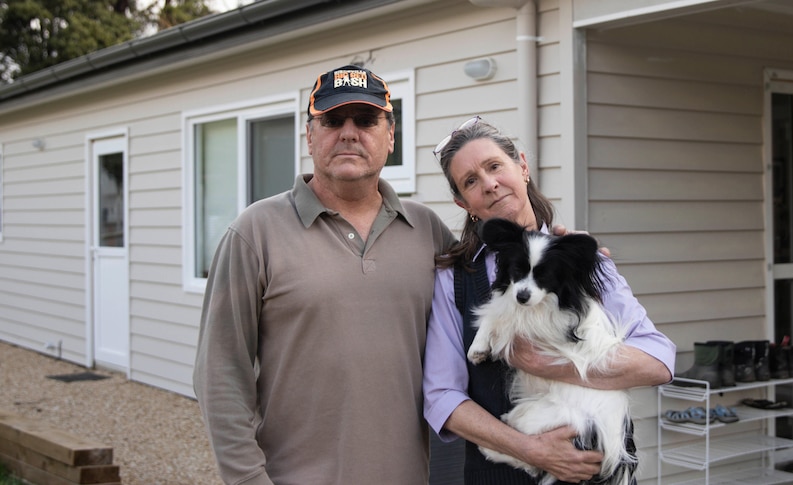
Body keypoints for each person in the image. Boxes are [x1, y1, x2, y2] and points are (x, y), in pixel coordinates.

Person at [193, 65, 456, 485]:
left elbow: (494, 306)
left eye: (366, 120)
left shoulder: (429, 232)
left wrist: (565, 257)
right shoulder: (254, 233)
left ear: (391, 135)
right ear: (310, 135)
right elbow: (220, 374)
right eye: (332, 120)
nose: (349, 133)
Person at [423, 116, 677, 484]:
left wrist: (548, 364)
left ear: (522, 167)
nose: (490, 184)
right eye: (471, 181)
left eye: (495, 166)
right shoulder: (454, 280)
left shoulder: (584, 261)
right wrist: (529, 450)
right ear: (463, 203)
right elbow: (442, 396)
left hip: (595, 472)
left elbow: (658, 361)